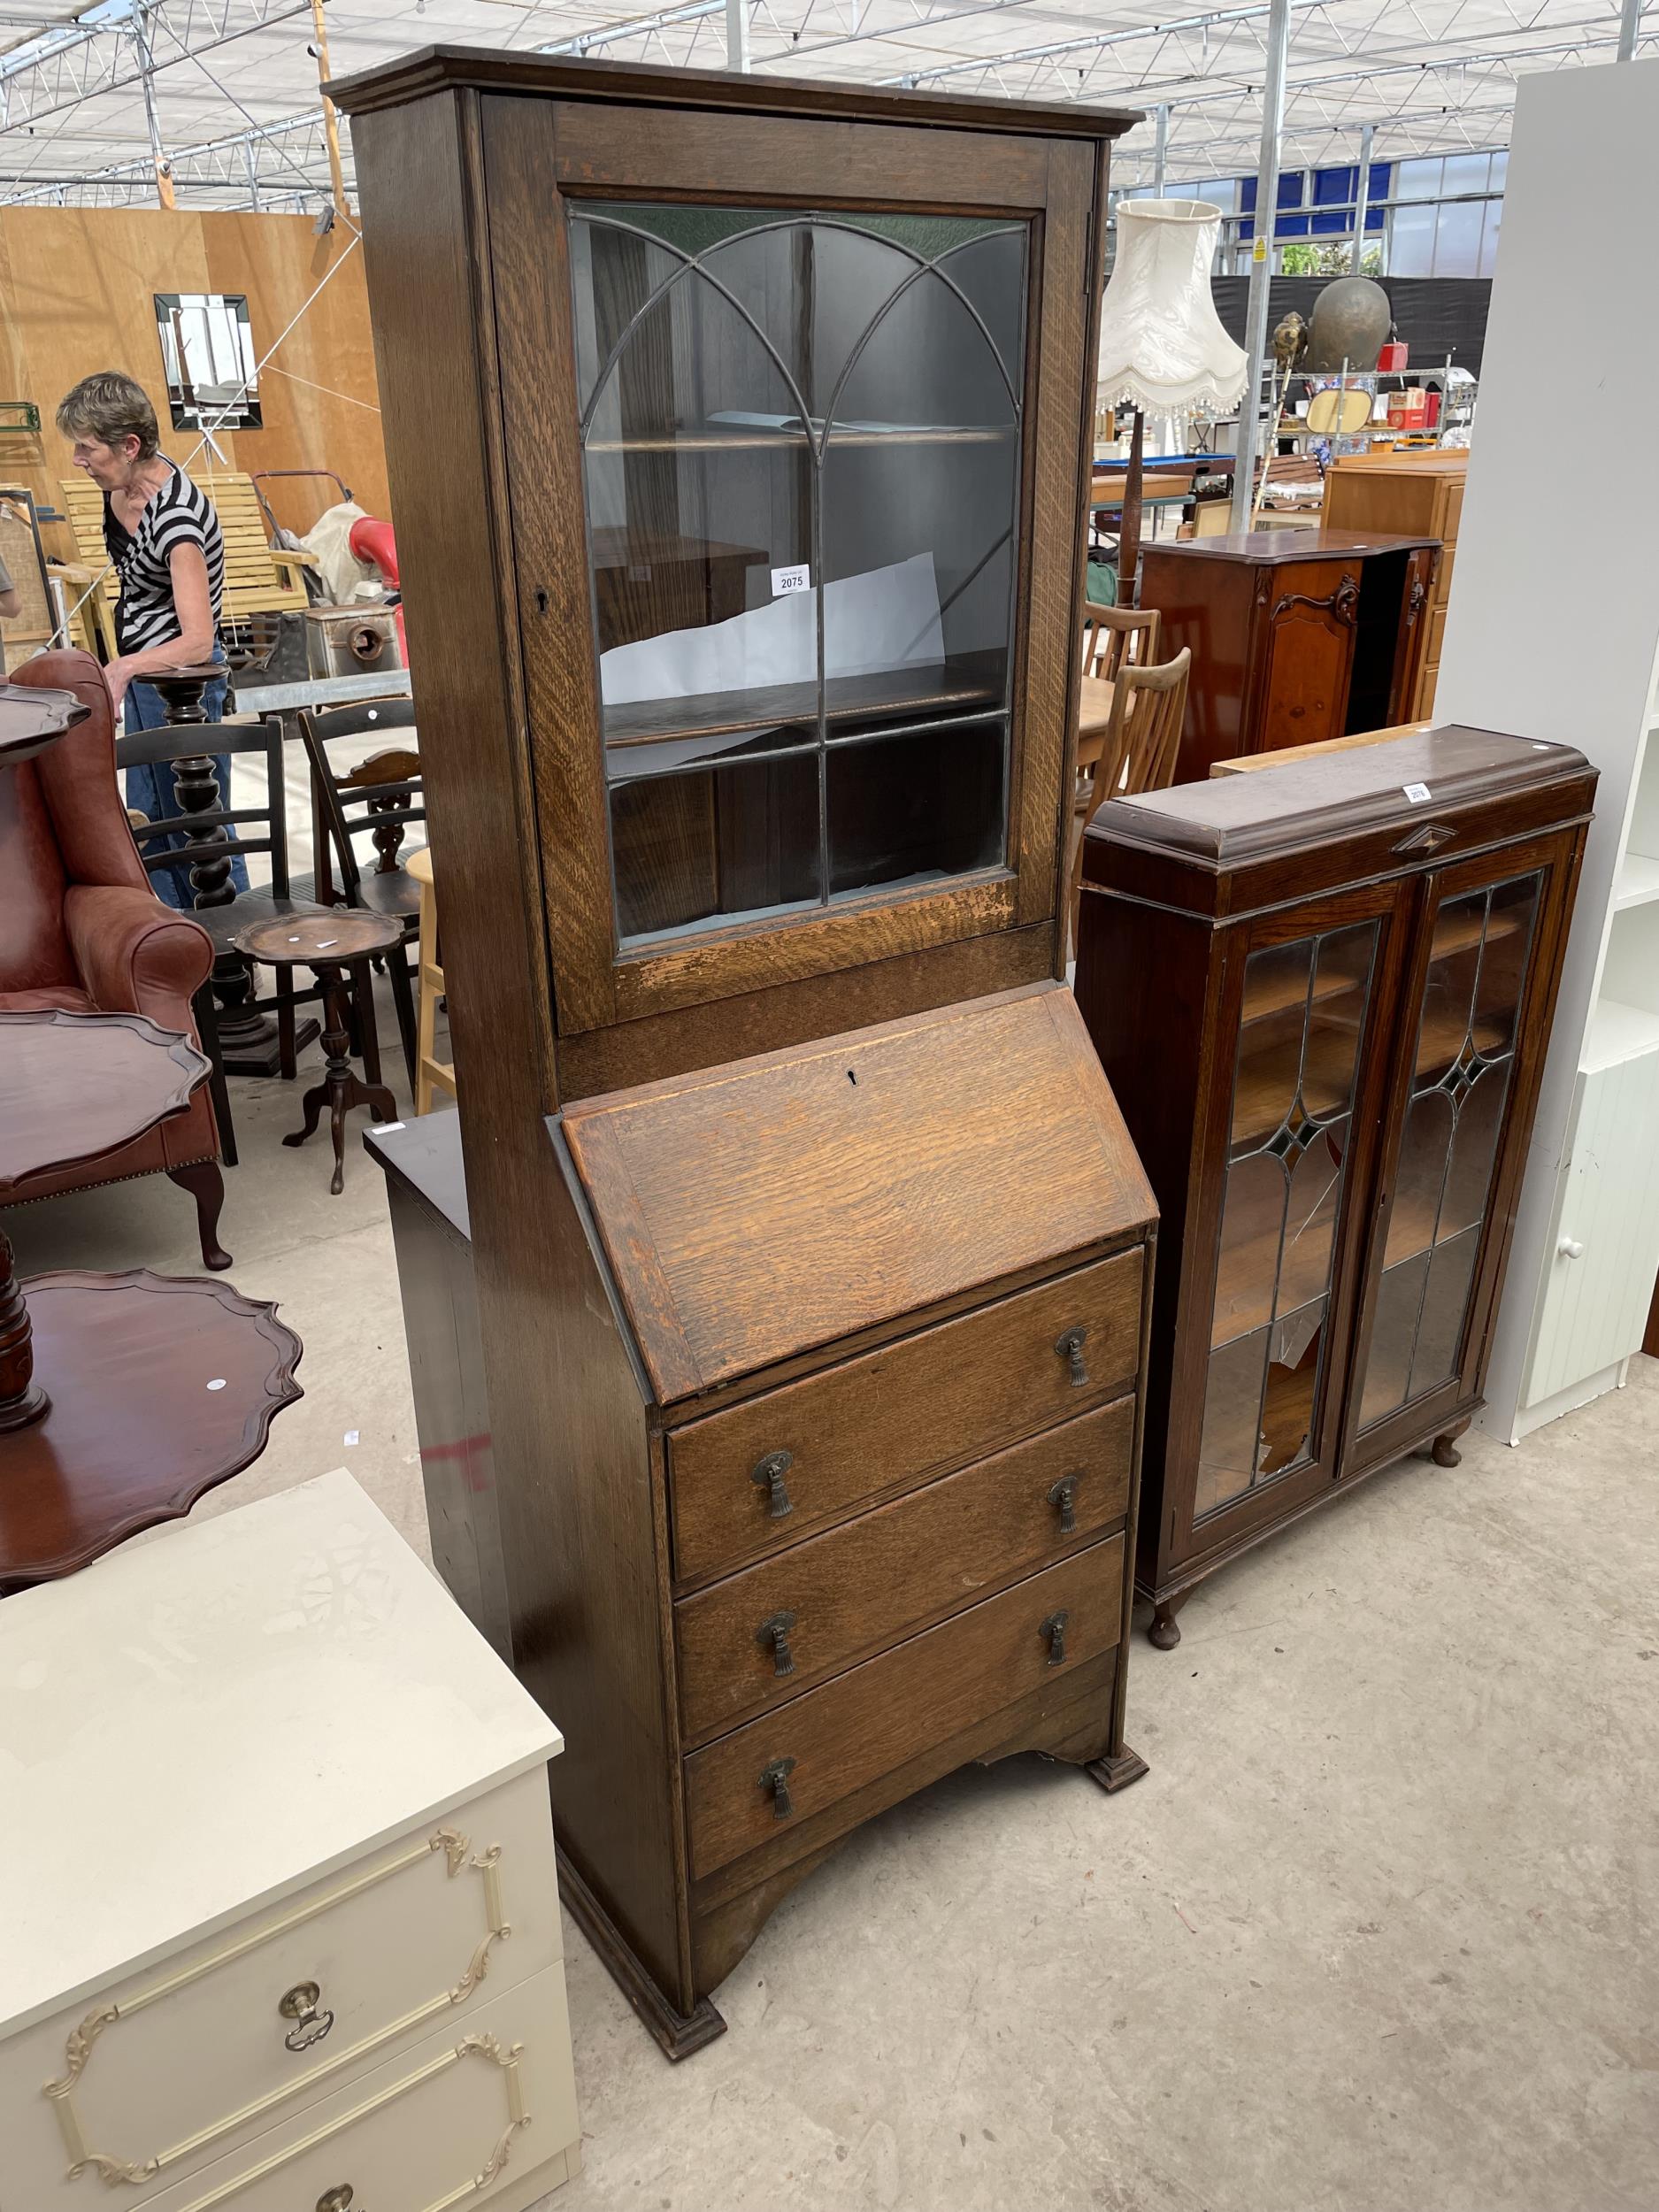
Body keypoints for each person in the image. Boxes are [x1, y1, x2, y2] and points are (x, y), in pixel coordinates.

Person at [54, 370, 247, 909]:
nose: (78, 459)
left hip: (182, 688)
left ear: (129, 445)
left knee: (200, 821)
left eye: (87, 447)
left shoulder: (178, 519)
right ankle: (170, 932)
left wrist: (120, 668)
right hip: (145, 676)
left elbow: (197, 640)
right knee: (148, 815)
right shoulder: (118, 491)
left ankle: (230, 938)